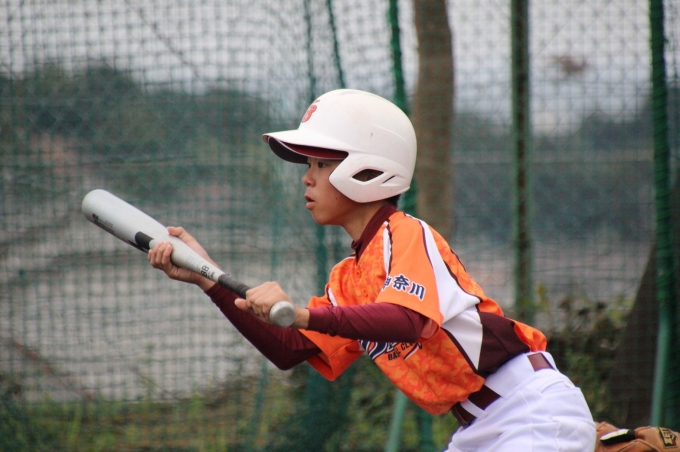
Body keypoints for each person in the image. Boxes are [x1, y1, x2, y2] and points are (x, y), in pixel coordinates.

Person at [148, 88, 596, 451]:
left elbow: (407, 319)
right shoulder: (348, 278)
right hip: (480, 427)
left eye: (322, 164)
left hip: (527, 408)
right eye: (309, 165)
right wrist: (208, 277)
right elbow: (289, 347)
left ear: (367, 169)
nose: (307, 177)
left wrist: (301, 313)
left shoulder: (406, 233)